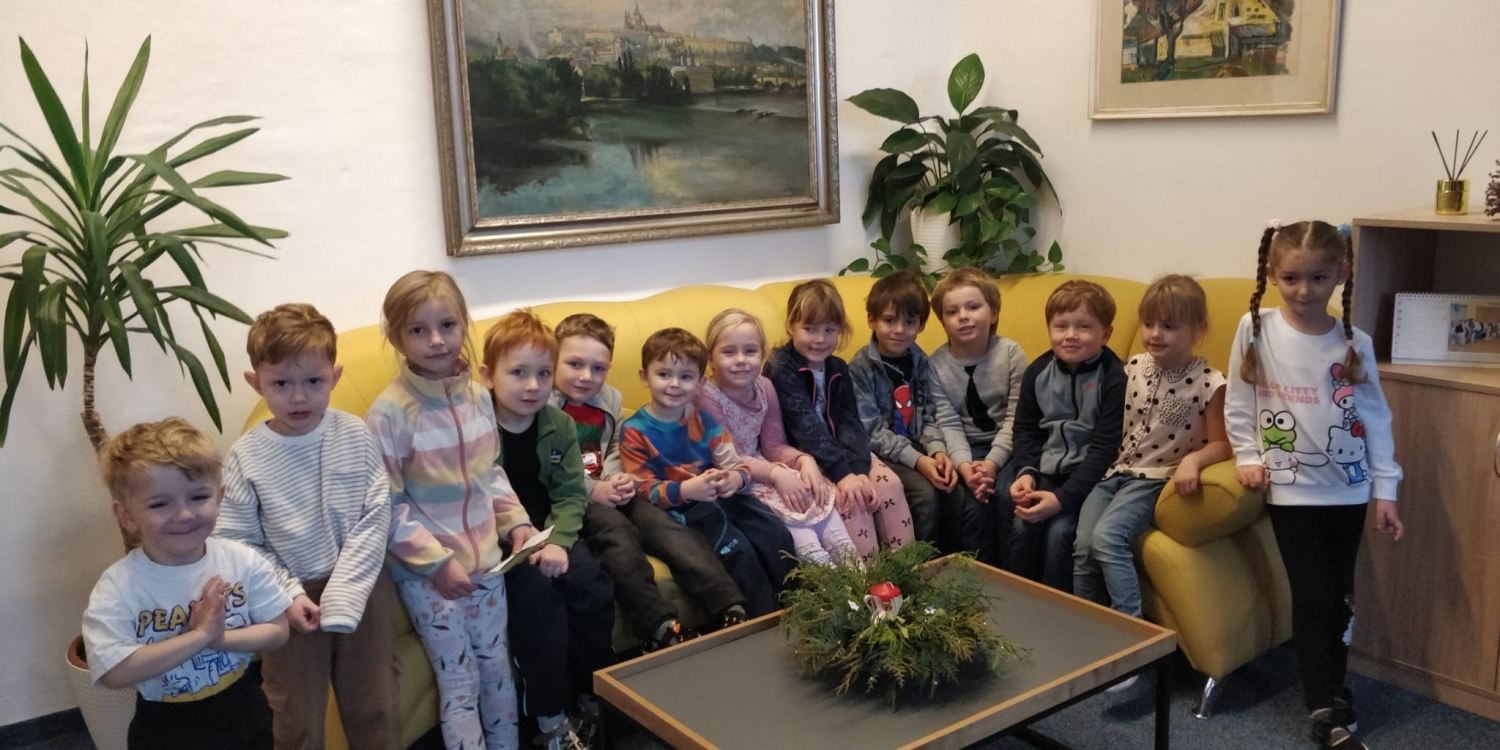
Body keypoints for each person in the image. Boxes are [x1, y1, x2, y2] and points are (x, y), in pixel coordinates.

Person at [1227, 221, 1404, 750]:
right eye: (1292, 278)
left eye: (1318, 278)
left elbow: (1375, 419)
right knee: (1313, 595)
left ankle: (1335, 687)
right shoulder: (1254, 328)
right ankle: (1322, 705)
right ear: (1272, 275)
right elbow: (1239, 400)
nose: (1304, 291)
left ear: (1341, 274)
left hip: (1348, 490)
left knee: (1341, 595)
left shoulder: (1355, 343)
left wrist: (1386, 490)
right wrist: (1247, 455)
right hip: (1292, 490)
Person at [217, 303, 401, 750]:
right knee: (295, 713)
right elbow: (237, 540)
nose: (298, 397)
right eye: (281, 384)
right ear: (256, 383)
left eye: (313, 382)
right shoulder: (245, 456)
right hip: (286, 599)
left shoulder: (354, 434)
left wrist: (346, 592)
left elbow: (377, 513)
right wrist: (287, 593)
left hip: (360, 584)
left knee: (377, 704)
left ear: (334, 378)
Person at [366, 271, 527, 750]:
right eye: (418, 329)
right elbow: (386, 506)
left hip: (488, 565)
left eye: (447, 325)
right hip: (429, 576)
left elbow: (490, 473)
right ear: (396, 337)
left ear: (463, 325)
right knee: (460, 680)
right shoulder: (389, 414)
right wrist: (437, 564)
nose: (436, 340)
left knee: (497, 669)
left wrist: (516, 522)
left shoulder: (478, 396)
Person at [83, 418, 292, 750]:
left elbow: (278, 630)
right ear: (126, 516)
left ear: (219, 498)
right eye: (159, 503)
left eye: (198, 497)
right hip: (165, 727)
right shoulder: (119, 586)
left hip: (244, 709)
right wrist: (200, 636)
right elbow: (114, 671)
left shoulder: (243, 561)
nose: (184, 515)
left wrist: (219, 639)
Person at [550, 313, 747, 647]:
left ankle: (728, 604)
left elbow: (616, 445)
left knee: (663, 525)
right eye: (574, 364)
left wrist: (616, 477)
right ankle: (659, 625)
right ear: (553, 361)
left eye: (598, 368)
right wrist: (595, 490)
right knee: (617, 534)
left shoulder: (610, 399)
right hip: (575, 498)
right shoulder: (545, 406)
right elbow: (552, 466)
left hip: (611, 488)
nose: (586, 376)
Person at [1072, 276, 1230, 691]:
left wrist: (1193, 461)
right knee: (1083, 544)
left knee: (1107, 538)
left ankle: (1132, 647)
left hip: (1154, 479)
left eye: (1169, 326)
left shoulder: (1210, 382)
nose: (1155, 334)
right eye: (1148, 324)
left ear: (1197, 329)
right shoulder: (1133, 367)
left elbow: (1222, 445)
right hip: (1113, 472)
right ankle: (1084, 636)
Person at [481, 310, 615, 749]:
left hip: (551, 529)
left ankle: (593, 692)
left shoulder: (559, 424)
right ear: (488, 376)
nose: (533, 385)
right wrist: (517, 540)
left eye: (542, 373)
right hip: (499, 539)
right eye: (518, 373)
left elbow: (571, 494)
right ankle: (549, 716)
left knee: (591, 584)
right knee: (537, 600)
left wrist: (557, 542)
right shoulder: (475, 426)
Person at [620, 328, 796, 616]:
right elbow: (641, 488)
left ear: (701, 382)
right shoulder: (634, 430)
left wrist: (734, 478)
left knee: (775, 533)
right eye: (663, 374)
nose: (674, 384)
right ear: (644, 377)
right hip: (679, 506)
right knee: (737, 549)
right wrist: (684, 490)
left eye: (686, 377)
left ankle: (800, 608)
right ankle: (763, 622)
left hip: (719, 494)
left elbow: (737, 464)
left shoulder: (706, 423)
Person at [764, 279, 914, 565]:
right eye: (810, 329)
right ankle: (869, 579)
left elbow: (850, 422)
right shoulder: (780, 367)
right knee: (850, 499)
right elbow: (806, 427)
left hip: (843, 455)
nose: (820, 339)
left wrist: (858, 470)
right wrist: (844, 476)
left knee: (890, 484)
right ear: (791, 326)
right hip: (803, 458)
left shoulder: (838, 367)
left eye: (829, 330)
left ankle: (908, 570)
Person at [699, 309, 856, 564]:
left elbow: (773, 445)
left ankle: (861, 577)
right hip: (732, 477)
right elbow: (725, 458)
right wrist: (777, 474)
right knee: (806, 541)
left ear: (763, 354)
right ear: (711, 358)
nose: (741, 360)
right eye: (728, 352)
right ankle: (826, 580)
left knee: (822, 507)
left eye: (750, 351)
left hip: (764, 467)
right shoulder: (706, 396)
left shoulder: (765, 387)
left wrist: (805, 461)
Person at [1007, 280, 1127, 593]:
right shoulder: (1038, 372)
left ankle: (1058, 608)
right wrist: (1026, 472)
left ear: (1106, 334)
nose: (1071, 335)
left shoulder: (1115, 377)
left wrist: (1061, 500)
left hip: (1091, 478)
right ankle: (1020, 599)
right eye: (1061, 326)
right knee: (1022, 525)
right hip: (1047, 471)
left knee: (1060, 533)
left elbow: (1104, 449)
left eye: (1084, 327)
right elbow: (1026, 430)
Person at [848, 270, 962, 551]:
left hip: (915, 444)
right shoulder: (860, 368)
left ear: (921, 325)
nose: (899, 330)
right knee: (924, 496)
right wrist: (919, 461)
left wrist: (938, 451)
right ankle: (918, 569)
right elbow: (871, 431)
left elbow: (928, 414)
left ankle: (953, 565)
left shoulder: (921, 360)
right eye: (889, 320)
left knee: (955, 490)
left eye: (909, 322)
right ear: (872, 320)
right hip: (879, 452)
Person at [925, 268, 1030, 565]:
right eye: (952, 311)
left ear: (993, 313)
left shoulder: (1011, 354)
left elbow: (1018, 417)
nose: (964, 317)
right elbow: (948, 423)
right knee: (971, 507)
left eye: (973, 307)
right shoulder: (935, 365)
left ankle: (1015, 579)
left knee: (1008, 498)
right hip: (966, 449)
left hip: (1009, 446)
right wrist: (965, 467)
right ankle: (976, 580)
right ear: (942, 321)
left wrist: (993, 463)